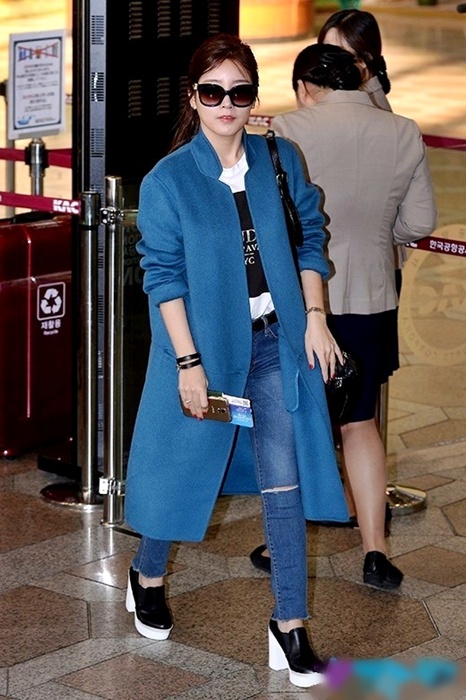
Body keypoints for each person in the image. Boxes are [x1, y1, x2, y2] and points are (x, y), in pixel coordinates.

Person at [124, 33, 350, 689]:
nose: (227, 103)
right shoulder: (168, 181)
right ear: (193, 98)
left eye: (240, 91)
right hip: (207, 355)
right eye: (213, 91)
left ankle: (290, 625)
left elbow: (310, 240)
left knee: (285, 480)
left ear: (254, 97)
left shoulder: (280, 158)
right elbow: (163, 279)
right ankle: (148, 572)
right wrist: (188, 364)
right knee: (188, 467)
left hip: (275, 346)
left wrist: (315, 317)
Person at [250, 43, 437, 590]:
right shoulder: (403, 131)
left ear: (304, 86)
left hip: (303, 300)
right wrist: (376, 236)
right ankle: (376, 551)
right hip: (374, 297)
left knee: (294, 419)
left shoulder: (288, 130)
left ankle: (282, 542)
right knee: (360, 422)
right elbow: (420, 221)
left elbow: (269, 218)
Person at [317, 8, 392, 111]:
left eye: (338, 54)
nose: (327, 63)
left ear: (364, 60)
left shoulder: (363, 106)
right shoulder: (347, 95)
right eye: (325, 52)